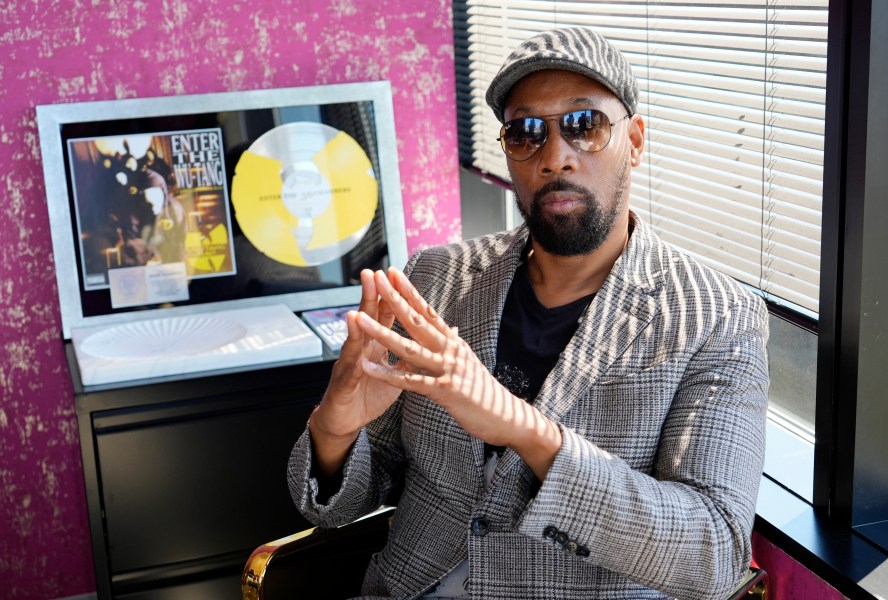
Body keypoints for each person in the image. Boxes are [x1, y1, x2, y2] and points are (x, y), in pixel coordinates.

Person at [288, 26, 769, 600]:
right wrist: (335, 428)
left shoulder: (717, 316)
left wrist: (525, 430)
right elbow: (358, 490)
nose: (555, 157)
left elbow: (711, 553)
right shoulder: (436, 279)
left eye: (584, 125)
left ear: (635, 141)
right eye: (526, 132)